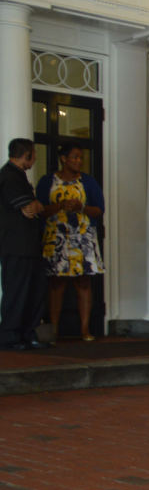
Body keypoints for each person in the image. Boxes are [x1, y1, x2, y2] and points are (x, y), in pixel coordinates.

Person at [36, 144, 105, 342]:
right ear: (63, 159)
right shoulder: (48, 181)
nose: (78, 161)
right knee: (56, 283)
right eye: (74, 157)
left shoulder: (88, 182)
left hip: (82, 237)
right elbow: (40, 209)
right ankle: (54, 330)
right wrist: (59, 206)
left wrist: (81, 207)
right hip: (56, 237)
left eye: (80, 158)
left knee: (83, 282)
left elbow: (99, 210)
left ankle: (85, 329)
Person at [0, 138, 50, 350]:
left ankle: (27, 333)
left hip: (28, 246)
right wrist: (36, 205)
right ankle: (11, 336)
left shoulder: (17, 175)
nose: (35, 158)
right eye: (34, 154)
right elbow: (31, 207)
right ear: (27, 155)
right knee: (17, 291)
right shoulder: (9, 177)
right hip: (16, 246)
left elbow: (35, 208)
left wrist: (37, 206)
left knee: (34, 290)